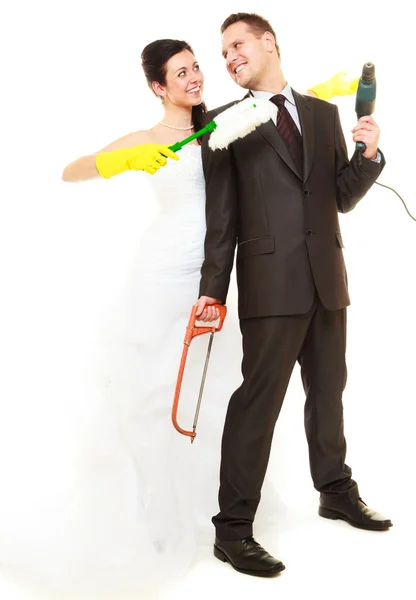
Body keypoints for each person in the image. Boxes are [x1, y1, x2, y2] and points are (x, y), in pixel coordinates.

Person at [0, 40, 360, 600]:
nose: (195, 78)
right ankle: (155, 513)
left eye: (197, 67)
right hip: (165, 275)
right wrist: (119, 160)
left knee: (219, 394)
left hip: (219, 276)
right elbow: (70, 171)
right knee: (154, 394)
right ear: (157, 87)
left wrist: (324, 93)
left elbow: (273, 109)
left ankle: (212, 509)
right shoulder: (149, 137)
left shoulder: (221, 122)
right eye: (181, 73)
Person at [195, 12, 392, 578]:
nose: (229, 57)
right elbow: (221, 220)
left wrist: (369, 157)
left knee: (329, 394)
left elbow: (339, 197)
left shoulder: (323, 114)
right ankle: (232, 529)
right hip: (270, 284)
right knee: (257, 405)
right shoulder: (222, 124)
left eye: (237, 44)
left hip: (327, 279)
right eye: (223, 51)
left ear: (268, 42)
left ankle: (335, 490)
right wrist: (212, 293)